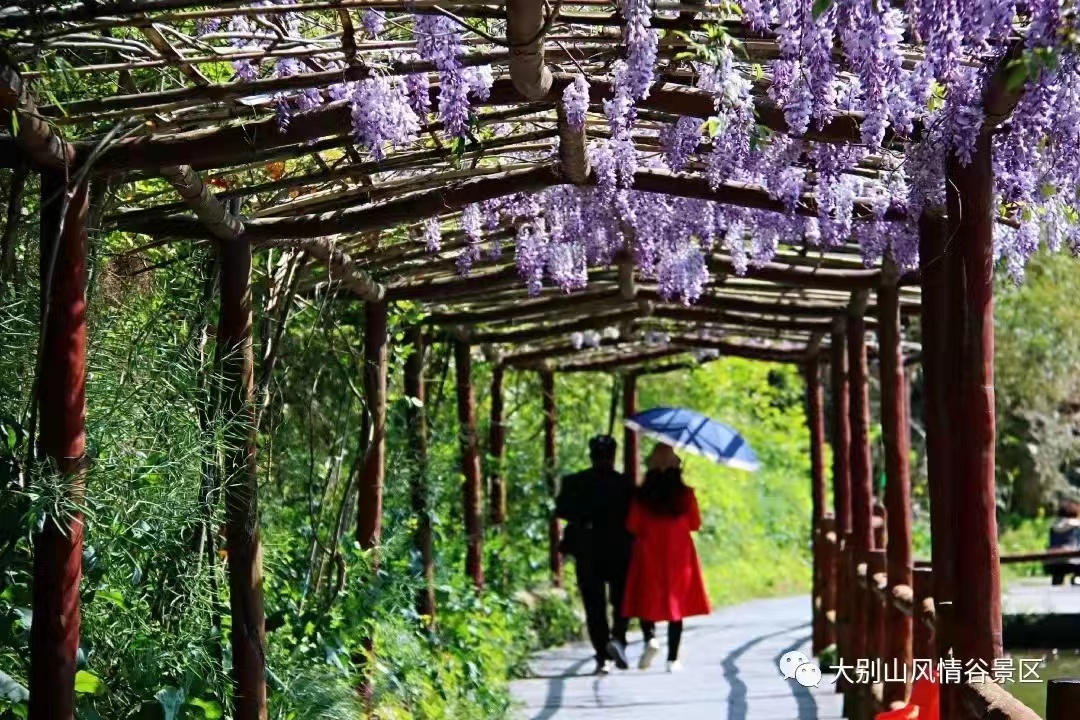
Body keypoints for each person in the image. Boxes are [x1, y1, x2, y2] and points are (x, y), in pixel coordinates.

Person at [622, 442, 710, 672]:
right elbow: (694, 524)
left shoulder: (641, 496)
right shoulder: (685, 494)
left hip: (648, 549)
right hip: (678, 552)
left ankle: (650, 638)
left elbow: (632, 525)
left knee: (646, 596)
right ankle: (673, 659)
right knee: (676, 603)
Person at [555, 435, 637, 674]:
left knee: (595, 605)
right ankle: (618, 639)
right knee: (620, 600)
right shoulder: (625, 484)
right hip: (619, 551)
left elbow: (562, 510)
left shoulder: (574, 482)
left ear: (591, 455)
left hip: (588, 551)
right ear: (612, 456)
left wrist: (585, 515)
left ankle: (603, 654)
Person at [1044, 500, 1080, 586]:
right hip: (1072, 562)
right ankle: (1077, 579)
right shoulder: (1077, 526)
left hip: (1052, 562)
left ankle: (1056, 582)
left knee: (1058, 573)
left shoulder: (1053, 526)